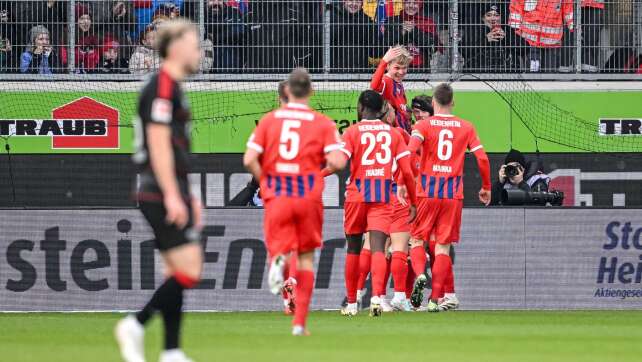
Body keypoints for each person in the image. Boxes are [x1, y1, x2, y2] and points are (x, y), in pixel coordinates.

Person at [115, 19, 203, 362]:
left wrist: (189, 194)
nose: (198, 52)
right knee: (190, 268)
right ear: (177, 45)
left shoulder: (170, 86)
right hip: (157, 188)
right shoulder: (162, 85)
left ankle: (171, 350)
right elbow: (158, 142)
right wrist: (172, 194)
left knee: (174, 271)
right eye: (194, 45)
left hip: (165, 186)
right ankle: (136, 324)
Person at [243, 68, 346, 336]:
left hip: (277, 193)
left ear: (286, 92)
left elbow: (249, 159)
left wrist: (265, 181)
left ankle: (278, 264)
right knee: (306, 258)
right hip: (307, 195)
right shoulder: (322, 122)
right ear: (311, 92)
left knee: (280, 247)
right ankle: (299, 323)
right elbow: (337, 161)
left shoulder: (269, 121)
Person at [407, 83, 491, 311]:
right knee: (442, 247)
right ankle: (435, 300)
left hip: (427, 191)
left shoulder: (423, 125)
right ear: (452, 103)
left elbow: (410, 151)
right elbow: (482, 158)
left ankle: (420, 274)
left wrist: (410, 180)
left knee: (416, 240)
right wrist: (486, 187)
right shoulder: (466, 126)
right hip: (452, 194)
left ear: (433, 103)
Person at [335, 89, 417, 317]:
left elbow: (339, 163)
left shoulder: (351, 132)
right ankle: (376, 299)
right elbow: (408, 173)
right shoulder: (394, 134)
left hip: (356, 195)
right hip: (381, 195)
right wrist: (413, 202)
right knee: (379, 249)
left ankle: (352, 304)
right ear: (382, 109)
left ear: (361, 107)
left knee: (354, 248)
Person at [461, 3, 520, 72]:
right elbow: (465, 51)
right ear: (483, 18)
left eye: (496, 15)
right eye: (489, 15)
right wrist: (486, 40)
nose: (493, 18)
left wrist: (507, 38)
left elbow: (524, 50)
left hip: (506, 73)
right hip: (479, 73)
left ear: (501, 18)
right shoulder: (474, 30)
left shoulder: (508, 29)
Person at [371, 46, 412, 134]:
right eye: (397, 68)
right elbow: (374, 86)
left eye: (404, 68)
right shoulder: (386, 81)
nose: (401, 72)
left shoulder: (398, 83)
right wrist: (384, 61)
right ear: (388, 66)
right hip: (392, 137)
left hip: (403, 136)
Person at [330, 0, 380, 72]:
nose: (354, 4)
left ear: (362, 3)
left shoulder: (366, 20)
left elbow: (374, 50)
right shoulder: (332, 16)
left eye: (357, 1)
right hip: (334, 71)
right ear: (344, 1)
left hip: (359, 70)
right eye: (351, 0)